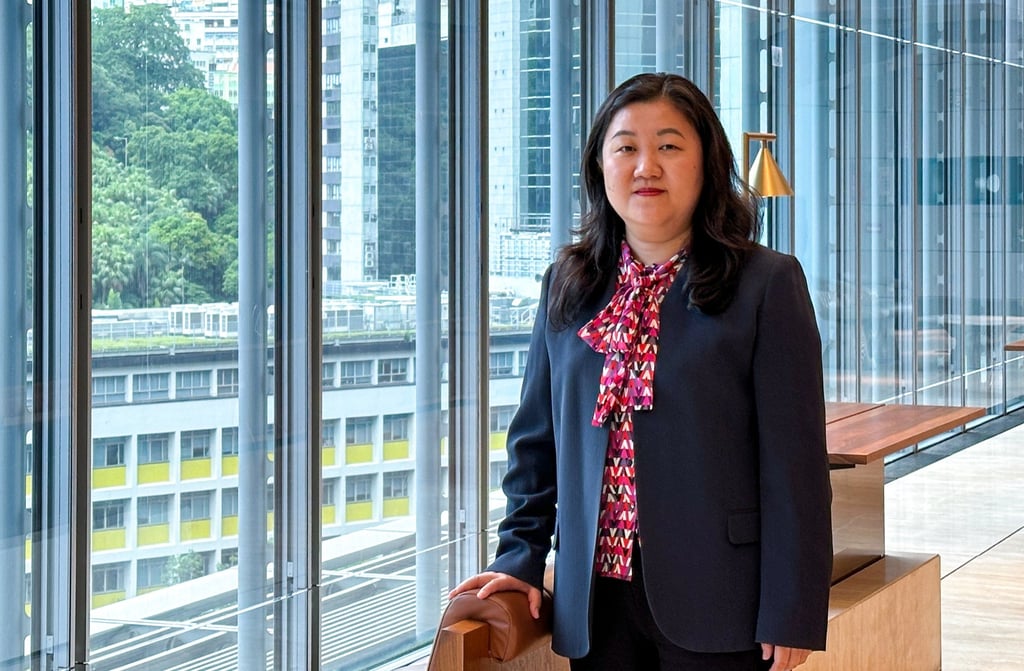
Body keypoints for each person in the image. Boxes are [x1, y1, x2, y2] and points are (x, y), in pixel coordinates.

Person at [450, 72, 833, 671]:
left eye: (670, 146)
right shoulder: (569, 286)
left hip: (723, 599)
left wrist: (793, 607)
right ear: (601, 166)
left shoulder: (766, 284)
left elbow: (795, 465)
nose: (645, 165)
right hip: (596, 604)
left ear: (707, 162)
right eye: (625, 146)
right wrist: (518, 557)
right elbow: (536, 446)